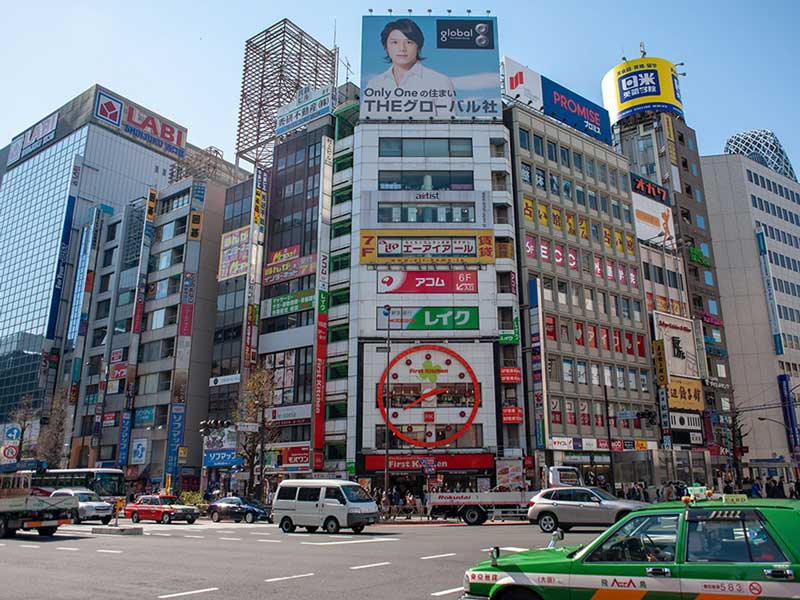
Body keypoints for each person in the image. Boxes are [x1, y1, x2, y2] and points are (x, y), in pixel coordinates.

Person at [363, 18, 456, 120]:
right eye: (395, 42)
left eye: (409, 42)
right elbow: (367, 125)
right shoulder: (374, 84)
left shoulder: (440, 81)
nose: (402, 48)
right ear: (386, 47)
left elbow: (448, 127)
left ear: (418, 46)